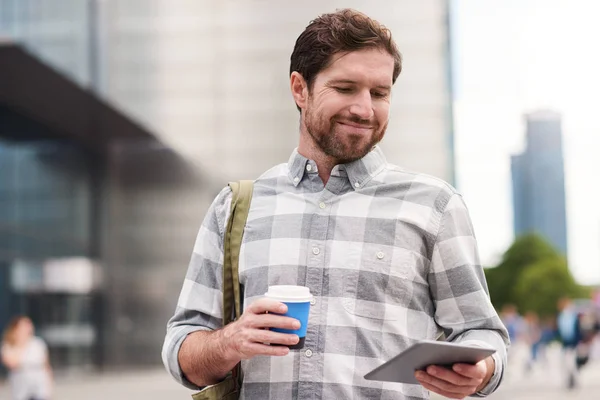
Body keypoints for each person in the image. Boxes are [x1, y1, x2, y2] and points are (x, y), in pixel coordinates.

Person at [162, 9, 509, 400]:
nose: (364, 109)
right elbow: (181, 352)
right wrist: (230, 342)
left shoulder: (436, 206)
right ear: (300, 89)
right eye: (345, 88)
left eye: (379, 93)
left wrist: (481, 368)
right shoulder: (235, 207)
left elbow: (483, 332)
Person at [1, 316, 53, 400]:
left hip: (39, 384)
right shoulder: (9, 345)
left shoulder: (37, 344)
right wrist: (22, 344)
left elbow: (46, 366)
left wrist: (49, 387)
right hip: (21, 385)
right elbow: (12, 363)